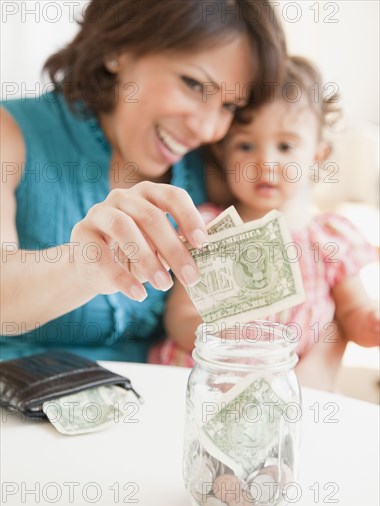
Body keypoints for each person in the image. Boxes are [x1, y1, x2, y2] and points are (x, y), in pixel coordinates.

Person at [0, 0, 286, 361]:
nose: (207, 129)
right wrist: (81, 267)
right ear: (118, 49)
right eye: (194, 84)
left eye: (229, 106)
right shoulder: (10, 135)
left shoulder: (210, 168)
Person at [150, 56, 379, 391]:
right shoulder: (206, 228)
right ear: (223, 154)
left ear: (316, 154)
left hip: (276, 396)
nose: (266, 162)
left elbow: (354, 312)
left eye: (286, 146)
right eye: (245, 145)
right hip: (200, 385)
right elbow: (179, 315)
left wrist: (371, 323)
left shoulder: (329, 239)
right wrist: (218, 335)